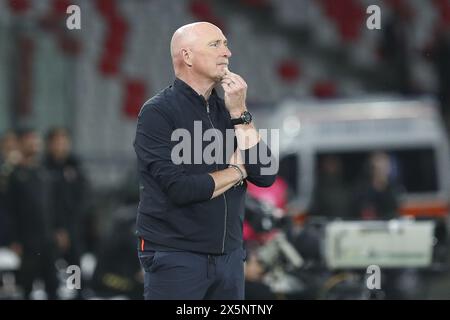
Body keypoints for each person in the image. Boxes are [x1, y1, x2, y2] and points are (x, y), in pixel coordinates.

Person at [133, 22, 277, 300]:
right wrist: (237, 171)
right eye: (216, 45)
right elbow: (181, 189)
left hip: (230, 256)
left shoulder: (229, 111)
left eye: (225, 44)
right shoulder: (157, 112)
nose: (228, 52)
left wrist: (241, 113)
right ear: (186, 56)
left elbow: (265, 174)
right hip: (176, 255)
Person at [7, 128, 59, 299]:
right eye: (30, 141)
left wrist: (58, 229)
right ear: (21, 144)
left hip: (47, 239)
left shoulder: (44, 173)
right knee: (26, 287)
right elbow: (9, 210)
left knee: (53, 284)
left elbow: (52, 206)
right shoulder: (13, 174)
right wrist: (13, 239)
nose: (34, 145)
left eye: (36, 141)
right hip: (27, 240)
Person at [44, 128, 88, 279]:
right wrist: (57, 228)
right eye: (57, 142)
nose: (61, 146)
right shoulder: (43, 168)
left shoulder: (75, 165)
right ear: (49, 144)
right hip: (50, 226)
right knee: (48, 265)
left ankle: (76, 292)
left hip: (73, 225)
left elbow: (82, 196)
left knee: (74, 264)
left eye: (64, 142)